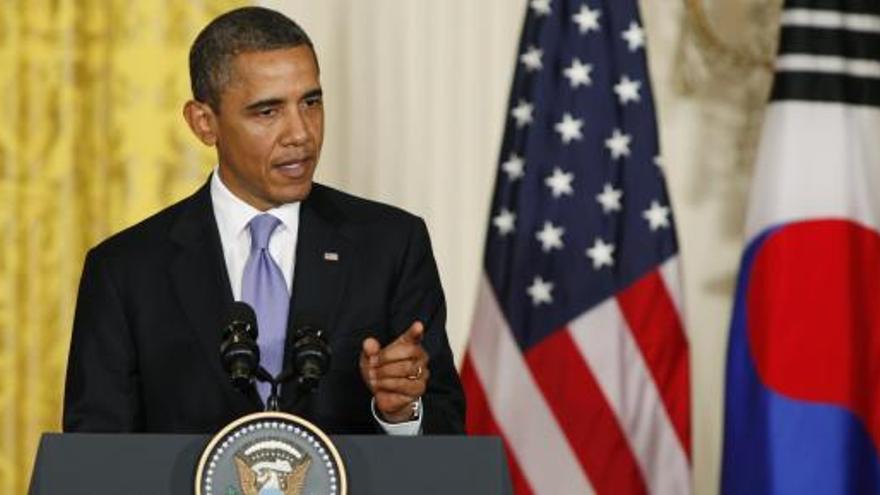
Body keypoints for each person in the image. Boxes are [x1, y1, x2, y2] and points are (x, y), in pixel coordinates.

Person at [63, 6, 464, 435]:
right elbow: (95, 453)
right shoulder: (125, 271)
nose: (301, 133)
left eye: (311, 102)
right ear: (204, 122)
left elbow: (448, 434)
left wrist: (400, 414)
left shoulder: (391, 245)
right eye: (267, 112)